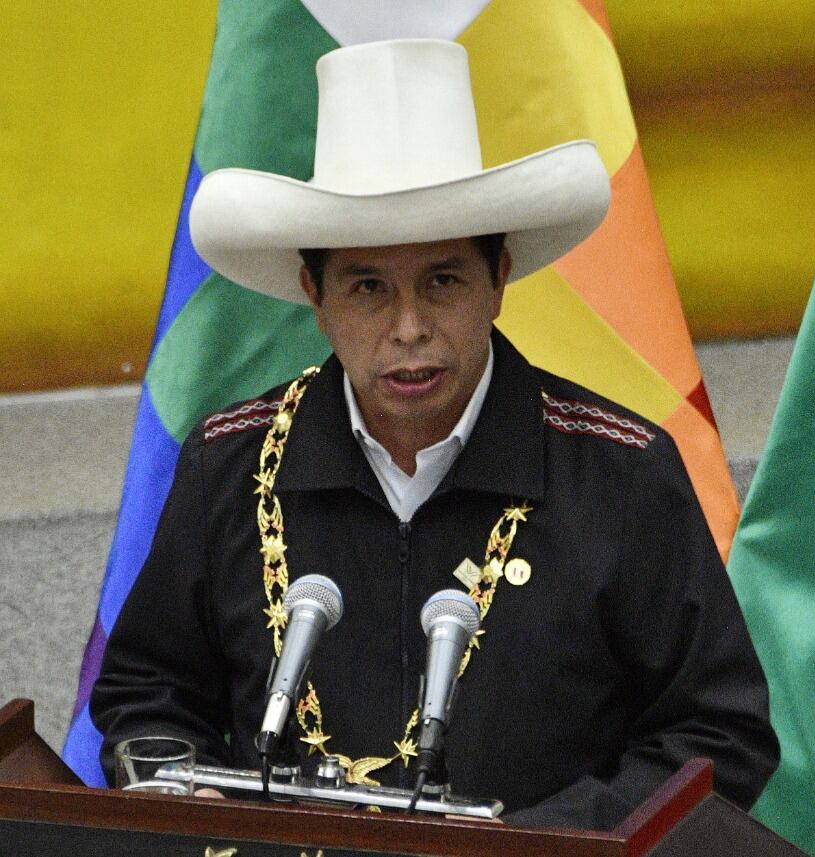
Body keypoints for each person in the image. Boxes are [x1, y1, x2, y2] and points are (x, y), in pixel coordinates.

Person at [90, 38, 778, 830]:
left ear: (500, 280)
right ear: (315, 295)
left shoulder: (618, 470)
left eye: (443, 281)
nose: (409, 328)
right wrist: (186, 789)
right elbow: (147, 694)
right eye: (369, 287)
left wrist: (543, 844)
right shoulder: (231, 461)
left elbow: (719, 734)